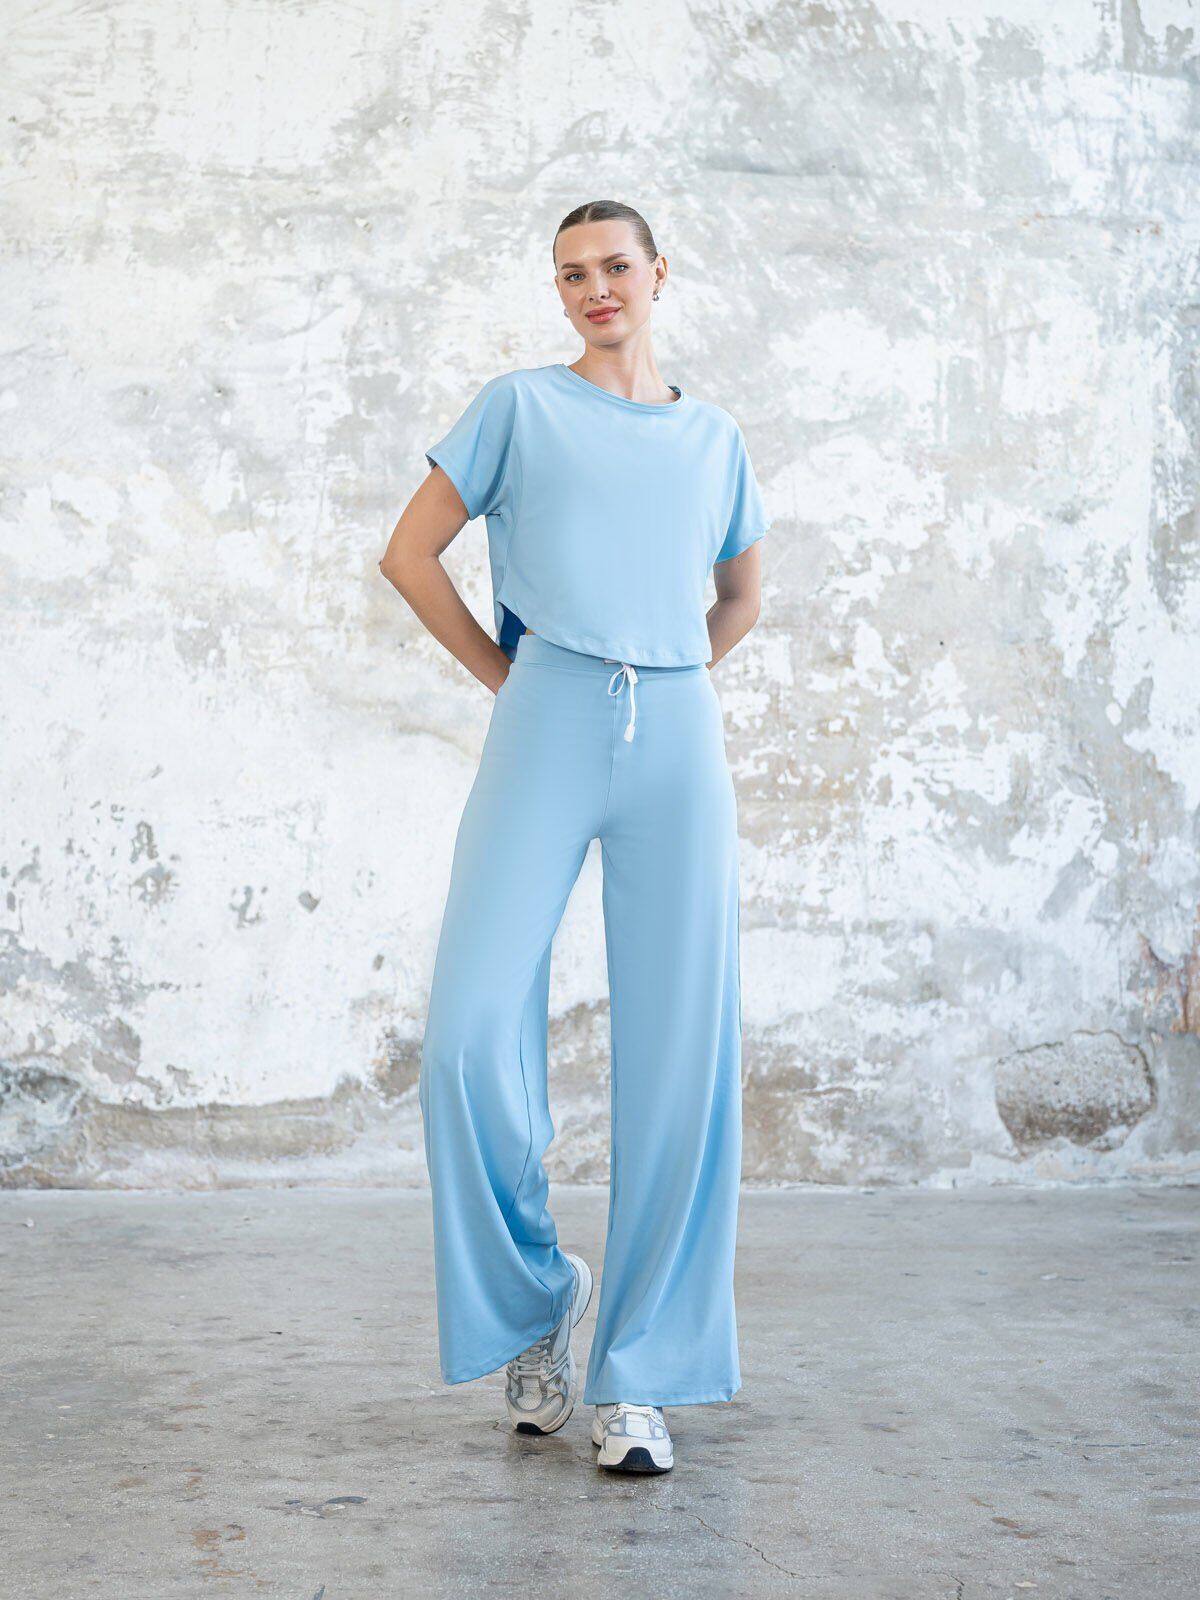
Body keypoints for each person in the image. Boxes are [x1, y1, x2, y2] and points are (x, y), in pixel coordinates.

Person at [378, 199, 769, 1475]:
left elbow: (740, 594)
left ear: (659, 274)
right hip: (545, 711)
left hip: (677, 736)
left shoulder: (714, 438)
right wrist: (517, 678)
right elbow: (409, 554)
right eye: (571, 274)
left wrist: (665, 677)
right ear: (558, 293)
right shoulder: (519, 409)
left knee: (683, 1058)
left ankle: (641, 1373)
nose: (595, 288)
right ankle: (539, 1295)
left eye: (614, 267)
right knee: (465, 1035)